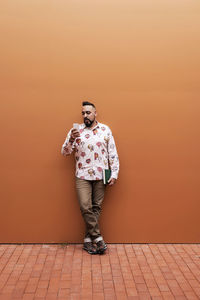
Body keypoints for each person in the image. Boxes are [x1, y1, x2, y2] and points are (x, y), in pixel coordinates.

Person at [61, 101, 119, 254]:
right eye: (83, 113)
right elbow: (65, 152)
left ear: (95, 113)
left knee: (96, 208)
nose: (85, 115)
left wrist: (114, 173)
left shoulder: (105, 130)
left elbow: (112, 153)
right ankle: (98, 238)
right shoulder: (76, 131)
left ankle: (88, 240)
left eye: (88, 112)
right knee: (85, 206)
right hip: (82, 174)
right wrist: (71, 139)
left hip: (101, 174)